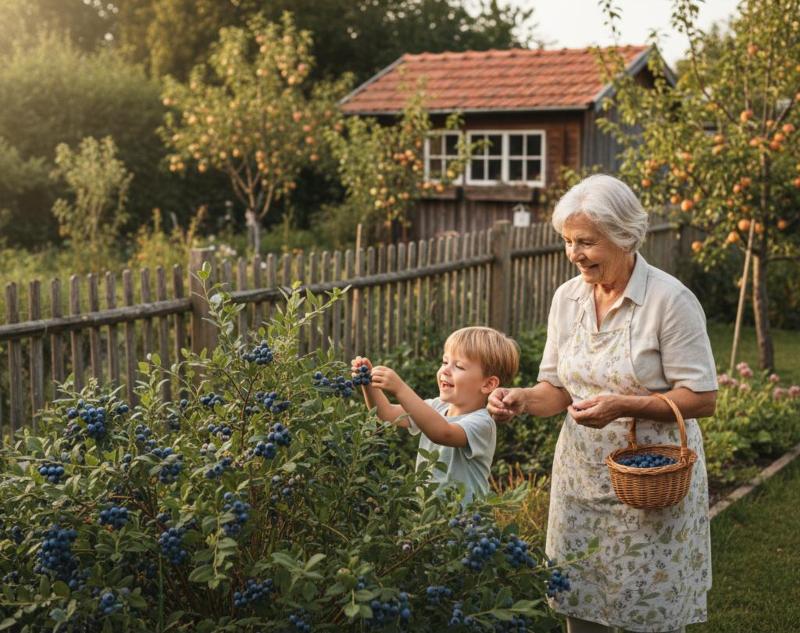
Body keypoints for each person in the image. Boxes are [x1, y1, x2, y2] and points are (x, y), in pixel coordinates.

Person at [488, 174, 717, 633]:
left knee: (646, 608)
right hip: (581, 479)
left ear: (624, 236)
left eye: (586, 242)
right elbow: (556, 389)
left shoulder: (669, 300)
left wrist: (625, 405)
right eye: (568, 242)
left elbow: (703, 397)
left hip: (651, 480)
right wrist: (520, 399)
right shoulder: (567, 299)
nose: (574, 253)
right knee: (580, 604)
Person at [351, 326, 519, 503]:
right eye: (445, 362)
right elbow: (386, 413)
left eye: (459, 366)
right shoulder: (437, 406)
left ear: (488, 384)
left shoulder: (483, 423)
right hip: (429, 516)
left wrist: (400, 389)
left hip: (466, 523)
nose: (445, 370)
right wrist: (367, 382)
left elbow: (442, 432)